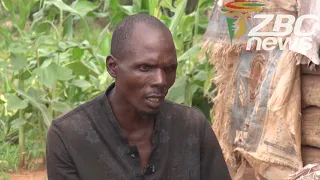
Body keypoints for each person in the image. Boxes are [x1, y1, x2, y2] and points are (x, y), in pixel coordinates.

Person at [46, 13, 231, 180]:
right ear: (112, 67)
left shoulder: (193, 127)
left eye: (169, 69)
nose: (161, 80)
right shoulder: (68, 136)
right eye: (145, 68)